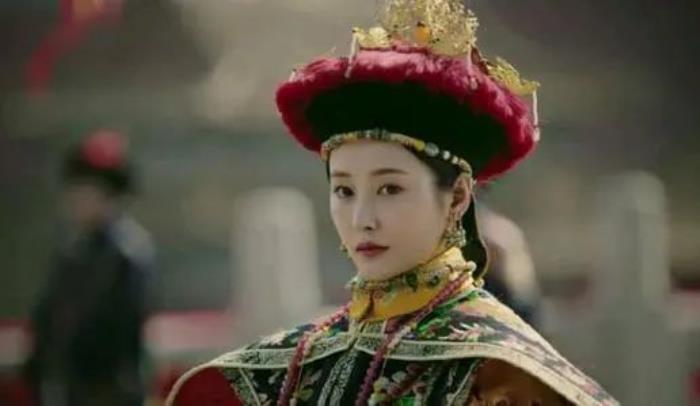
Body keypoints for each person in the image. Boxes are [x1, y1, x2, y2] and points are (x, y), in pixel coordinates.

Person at [168, 1, 617, 404]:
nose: (362, 219)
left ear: (458, 196)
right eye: (344, 191)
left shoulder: (506, 375)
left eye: (390, 189)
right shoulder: (281, 370)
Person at [25, 130, 154, 406]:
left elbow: (117, 337)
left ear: (110, 196)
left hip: (109, 394)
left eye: (88, 190)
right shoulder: (73, 252)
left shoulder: (126, 254)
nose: (77, 199)